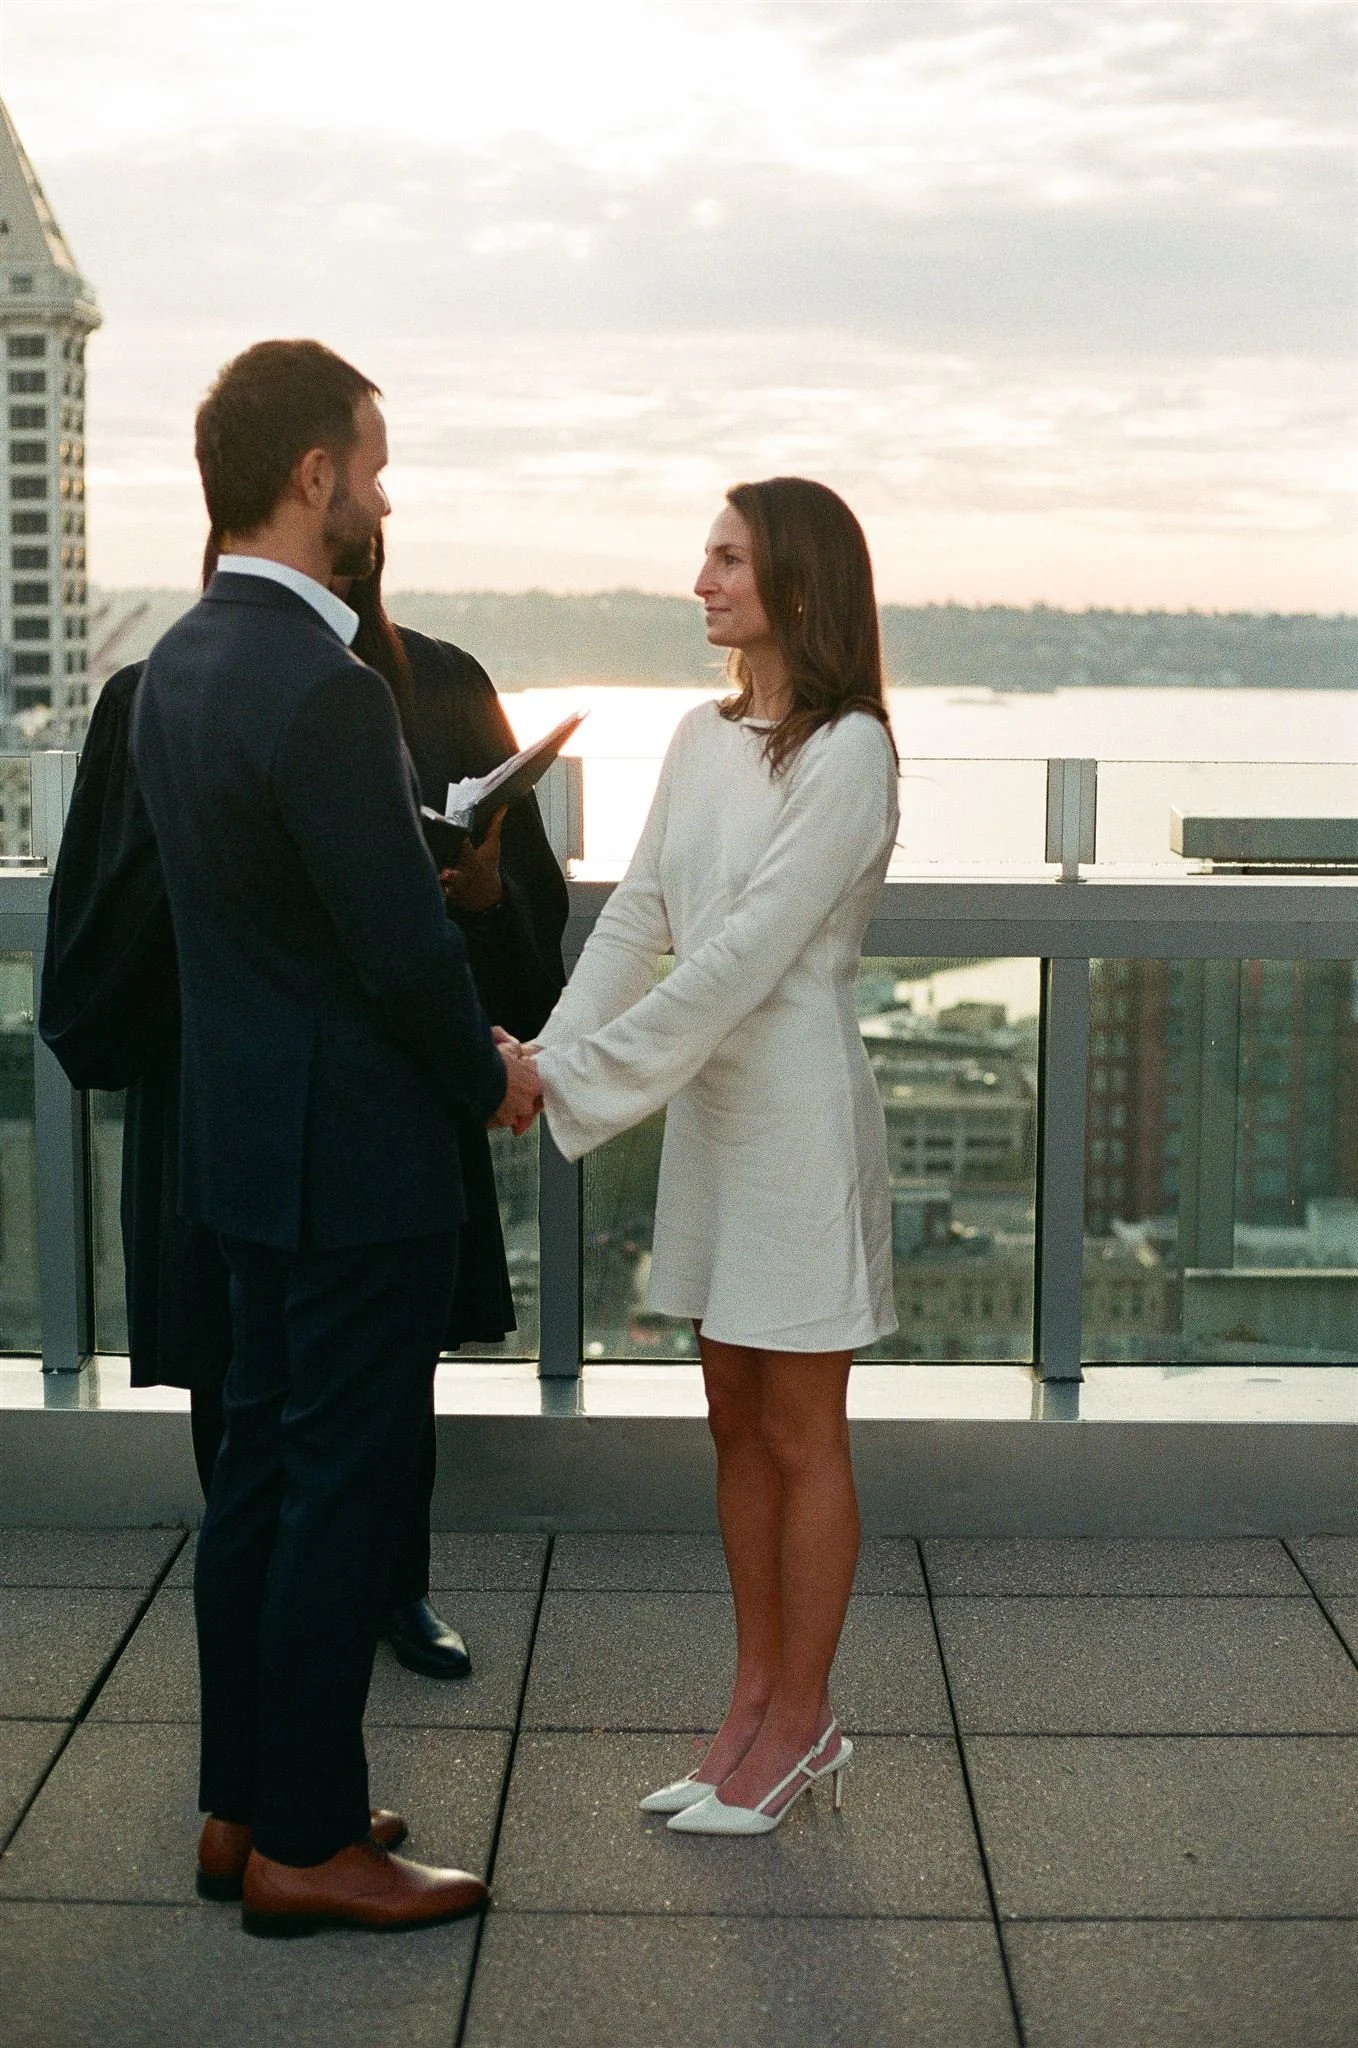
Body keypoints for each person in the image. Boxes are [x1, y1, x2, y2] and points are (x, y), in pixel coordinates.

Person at [132, 338, 541, 1935]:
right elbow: (393, 949)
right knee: (338, 1496)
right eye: (371, 466)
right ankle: (310, 1842)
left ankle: (247, 1801)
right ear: (313, 478)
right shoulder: (322, 684)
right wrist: (487, 1066)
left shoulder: (180, 662)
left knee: (257, 1485)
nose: (381, 495)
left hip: (241, 1148)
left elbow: (265, 920)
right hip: (354, 1163)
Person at [39, 537, 567, 1685]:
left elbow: (525, 946)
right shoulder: (151, 696)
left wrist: (474, 895)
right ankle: (283, 1740)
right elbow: (96, 950)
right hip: (229, 1088)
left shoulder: (440, 684)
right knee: (242, 1396)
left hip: (380, 1099)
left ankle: (386, 1593)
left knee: (380, 1377)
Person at [533, 477, 898, 1835]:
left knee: (801, 1431)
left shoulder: (848, 754)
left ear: (795, 582)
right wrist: (544, 1061)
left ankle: (803, 1726)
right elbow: (636, 920)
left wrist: (572, 1082)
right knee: (731, 1417)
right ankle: (748, 1708)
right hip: (712, 1116)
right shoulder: (697, 736)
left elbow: (743, 956)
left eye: (728, 559)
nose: (700, 579)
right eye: (706, 555)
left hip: (794, 1118)